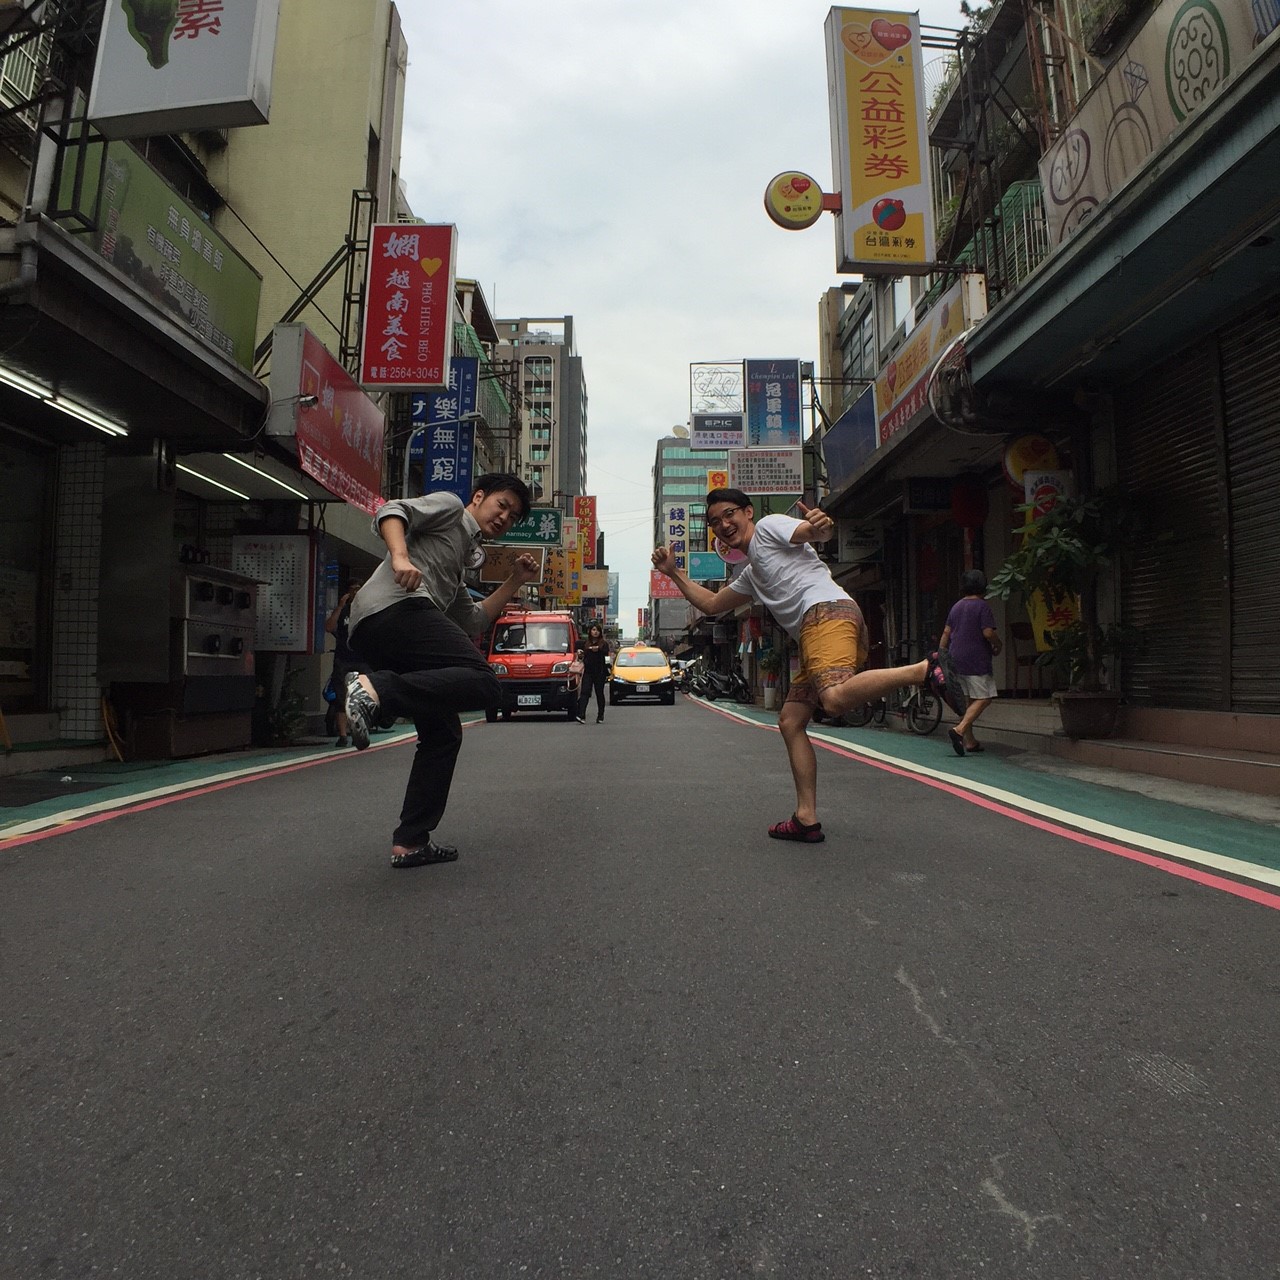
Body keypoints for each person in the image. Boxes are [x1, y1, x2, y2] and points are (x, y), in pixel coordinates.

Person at [652, 488, 966, 844]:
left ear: (748, 512)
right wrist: (672, 572)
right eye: (714, 522)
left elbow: (812, 532)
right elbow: (711, 603)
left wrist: (821, 526)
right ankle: (806, 818)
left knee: (832, 700)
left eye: (729, 515)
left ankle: (925, 669)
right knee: (790, 721)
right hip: (824, 625)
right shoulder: (753, 573)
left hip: (823, 616)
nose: (723, 525)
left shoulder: (769, 527)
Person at [345, 474, 540, 869]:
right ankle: (376, 691)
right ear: (479, 497)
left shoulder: (457, 563)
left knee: (443, 734)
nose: (504, 517)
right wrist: (399, 557)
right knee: (485, 682)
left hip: (382, 628)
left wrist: (515, 580)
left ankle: (411, 841)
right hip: (395, 609)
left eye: (513, 516)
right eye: (501, 505)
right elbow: (392, 510)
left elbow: (473, 620)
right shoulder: (450, 507)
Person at [939, 569, 1002, 756]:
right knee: (984, 698)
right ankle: (960, 730)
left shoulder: (956, 606)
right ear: (984, 586)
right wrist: (998, 644)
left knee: (968, 700)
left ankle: (970, 741)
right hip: (976, 659)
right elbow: (988, 633)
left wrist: (941, 656)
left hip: (955, 658)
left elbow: (946, 633)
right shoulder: (982, 606)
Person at [323, 578, 362, 747]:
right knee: (341, 697)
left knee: (360, 697)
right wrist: (340, 606)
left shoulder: (366, 609)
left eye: (358, 590)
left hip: (362, 659)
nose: (355, 593)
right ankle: (343, 735)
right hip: (343, 659)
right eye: (352, 590)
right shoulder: (343, 610)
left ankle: (358, 731)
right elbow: (329, 627)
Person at [575, 623, 610, 723]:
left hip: (600, 672)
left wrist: (598, 650)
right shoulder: (585, 643)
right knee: (585, 692)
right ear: (590, 631)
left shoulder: (604, 644)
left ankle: (600, 715)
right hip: (588, 671)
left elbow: (606, 656)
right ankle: (581, 715)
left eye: (597, 630)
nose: (595, 632)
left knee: (599, 693)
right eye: (593, 630)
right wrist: (580, 654)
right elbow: (581, 656)